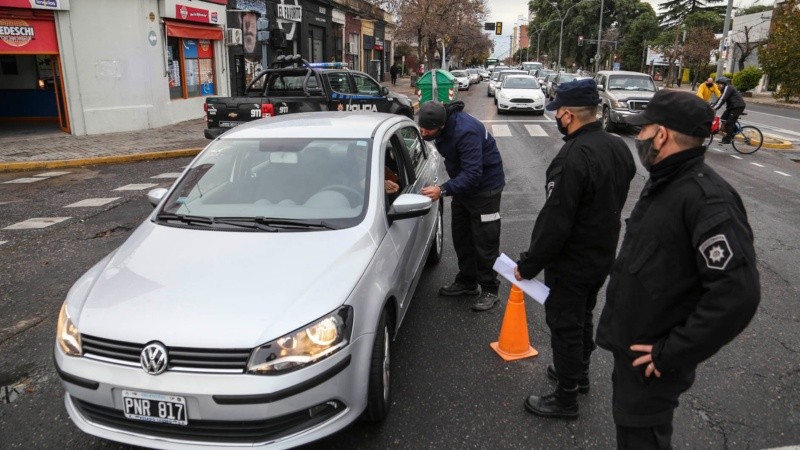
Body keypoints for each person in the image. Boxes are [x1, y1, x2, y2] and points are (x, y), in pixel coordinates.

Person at [596, 90, 760, 449]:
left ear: (662, 134)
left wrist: (671, 353)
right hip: (635, 350)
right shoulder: (668, 180)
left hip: (653, 361)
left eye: (643, 130)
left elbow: (738, 294)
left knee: (643, 437)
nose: (638, 137)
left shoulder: (704, 197)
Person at [513, 79, 635, 419]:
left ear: (567, 115)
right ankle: (577, 374)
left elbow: (556, 221)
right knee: (582, 315)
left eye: (558, 113)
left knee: (565, 324)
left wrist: (530, 263)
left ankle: (565, 398)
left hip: (573, 259)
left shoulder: (573, 157)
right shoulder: (618, 147)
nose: (556, 118)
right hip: (602, 253)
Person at [418, 101, 505, 312]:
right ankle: (467, 282)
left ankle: (490, 289)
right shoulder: (439, 124)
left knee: (485, 241)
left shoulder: (466, 132)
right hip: (463, 188)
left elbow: (473, 174)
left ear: (441, 126)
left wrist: (444, 190)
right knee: (462, 235)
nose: (423, 132)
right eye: (421, 127)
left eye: (427, 130)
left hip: (486, 189)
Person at [711, 76, 746, 145]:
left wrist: (714, 108)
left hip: (738, 107)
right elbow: (720, 99)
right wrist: (711, 106)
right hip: (731, 107)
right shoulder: (724, 89)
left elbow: (722, 99)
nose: (717, 85)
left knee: (729, 123)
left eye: (718, 84)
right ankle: (733, 132)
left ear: (723, 84)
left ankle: (728, 139)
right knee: (723, 119)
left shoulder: (728, 87)